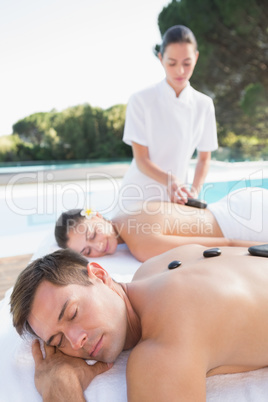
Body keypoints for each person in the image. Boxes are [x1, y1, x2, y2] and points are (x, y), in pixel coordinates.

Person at [10, 244, 268, 401]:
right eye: (58, 340)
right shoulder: (155, 267)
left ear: (99, 275)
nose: (76, 341)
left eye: (73, 313)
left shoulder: (160, 350)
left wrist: (59, 390)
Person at [121, 25, 218, 204]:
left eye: (187, 63)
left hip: (178, 198)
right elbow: (141, 159)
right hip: (138, 196)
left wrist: (193, 193)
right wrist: (171, 181)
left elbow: (204, 159)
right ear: (160, 58)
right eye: (172, 63)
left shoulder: (204, 105)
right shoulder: (140, 100)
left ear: (196, 58)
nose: (180, 71)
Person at [54, 187, 268, 261]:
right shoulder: (127, 209)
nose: (98, 246)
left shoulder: (140, 245)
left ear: (97, 215)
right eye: (87, 251)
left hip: (247, 224)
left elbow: (225, 244)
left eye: (93, 235)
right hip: (239, 200)